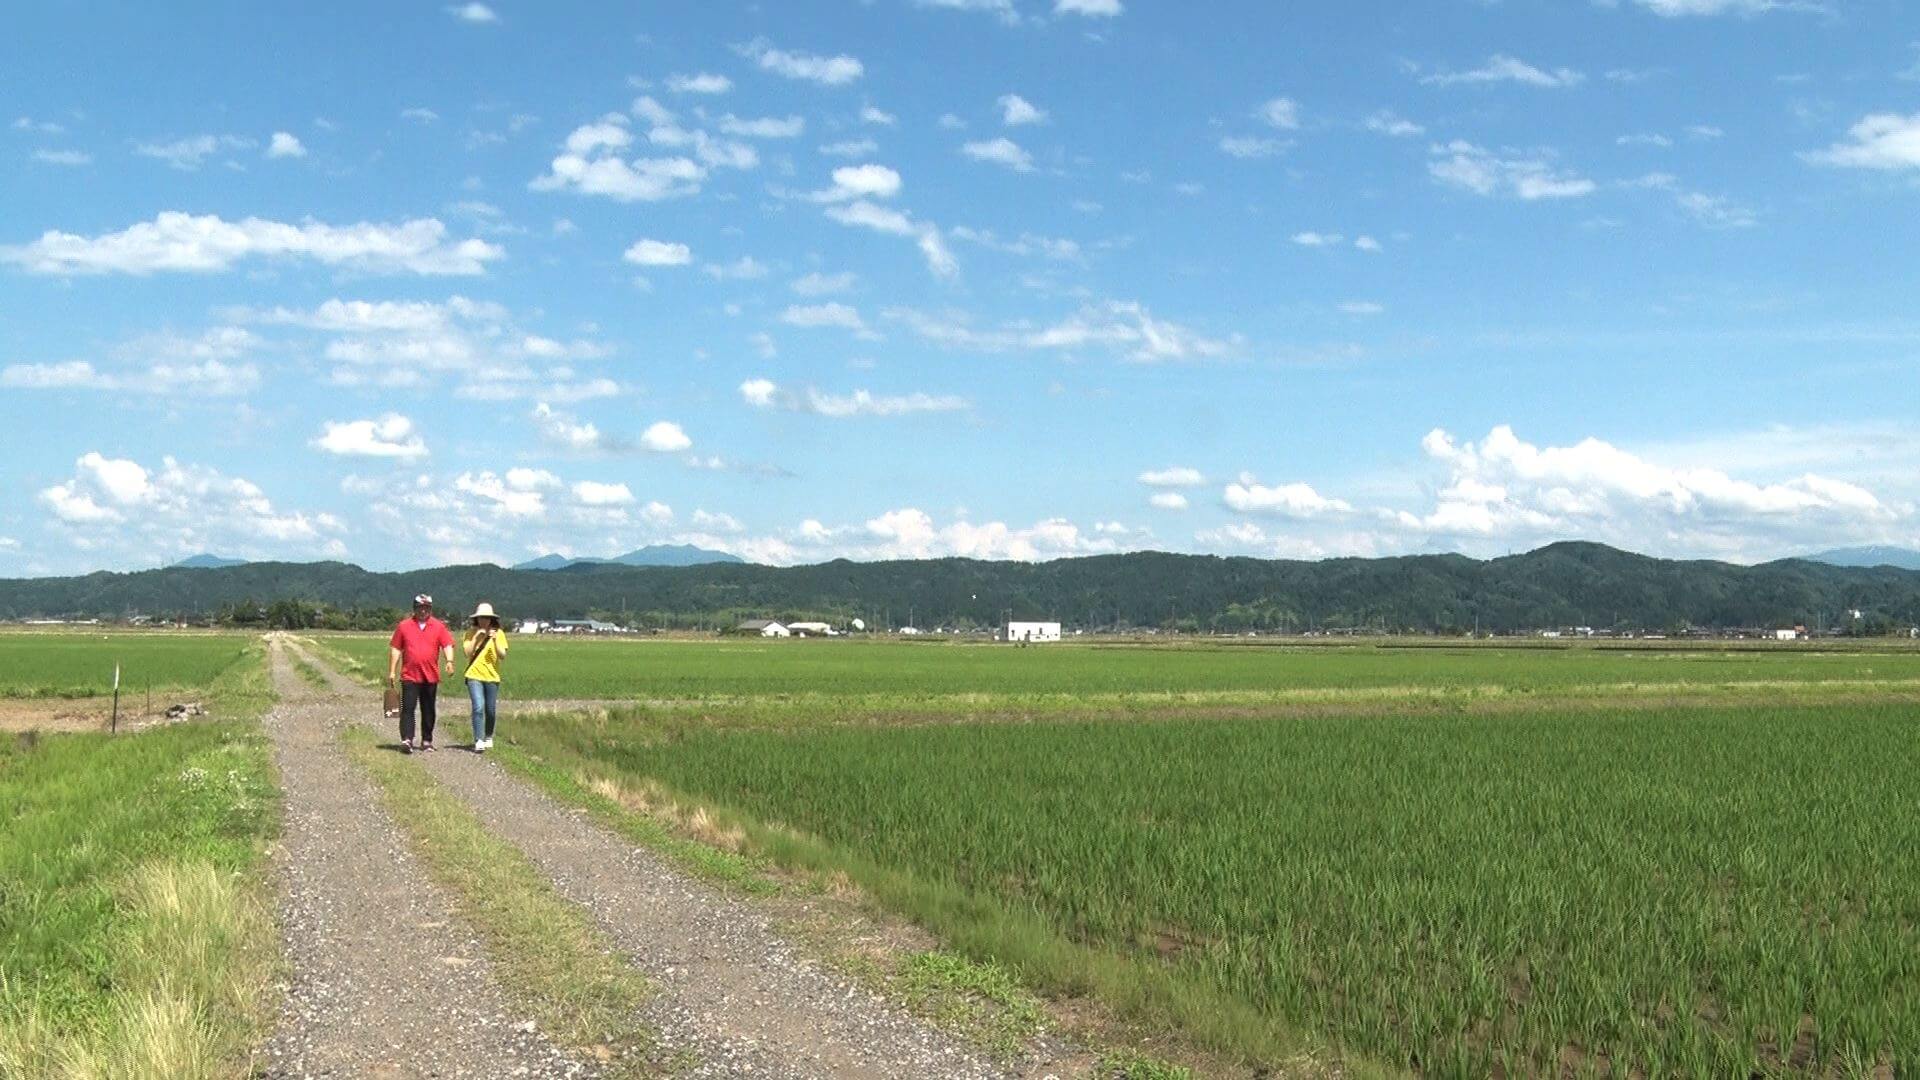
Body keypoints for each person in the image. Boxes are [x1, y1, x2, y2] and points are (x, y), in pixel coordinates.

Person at [388, 594, 454, 753]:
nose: (423, 610)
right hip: (409, 675)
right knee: (408, 708)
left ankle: (427, 740)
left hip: (430, 675)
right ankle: (407, 739)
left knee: (428, 709)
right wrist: (392, 671)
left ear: (430, 609)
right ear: (414, 608)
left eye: (426, 608)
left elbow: (447, 644)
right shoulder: (404, 626)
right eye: (420, 607)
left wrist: (449, 661)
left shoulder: (438, 626)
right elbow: (396, 648)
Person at [462, 602, 509, 752]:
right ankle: (479, 739)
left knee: (490, 709)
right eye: (481, 618)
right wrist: (476, 638)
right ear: (477, 619)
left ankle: (488, 735)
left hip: (492, 677)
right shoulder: (470, 633)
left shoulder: (499, 633)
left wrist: (494, 640)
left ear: (491, 619)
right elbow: (467, 653)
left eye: (487, 618)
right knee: (478, 707)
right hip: (473, 675)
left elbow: (502, 655)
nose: (484, 621)